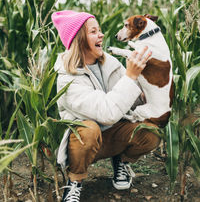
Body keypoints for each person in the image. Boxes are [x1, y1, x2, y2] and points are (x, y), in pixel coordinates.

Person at [52, 10, 161, 202]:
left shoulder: (110, 63)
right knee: (89, 129)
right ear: (79, 40)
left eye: (100, 30)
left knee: (150, 131)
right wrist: (131, 76)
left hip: (113, 134)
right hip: (84, 143)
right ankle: (75, 181)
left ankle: (121, 160)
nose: (101, 35)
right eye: (94, 31)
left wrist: (149, 90)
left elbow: (129, 99)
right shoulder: (67, 78)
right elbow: (107, 112)